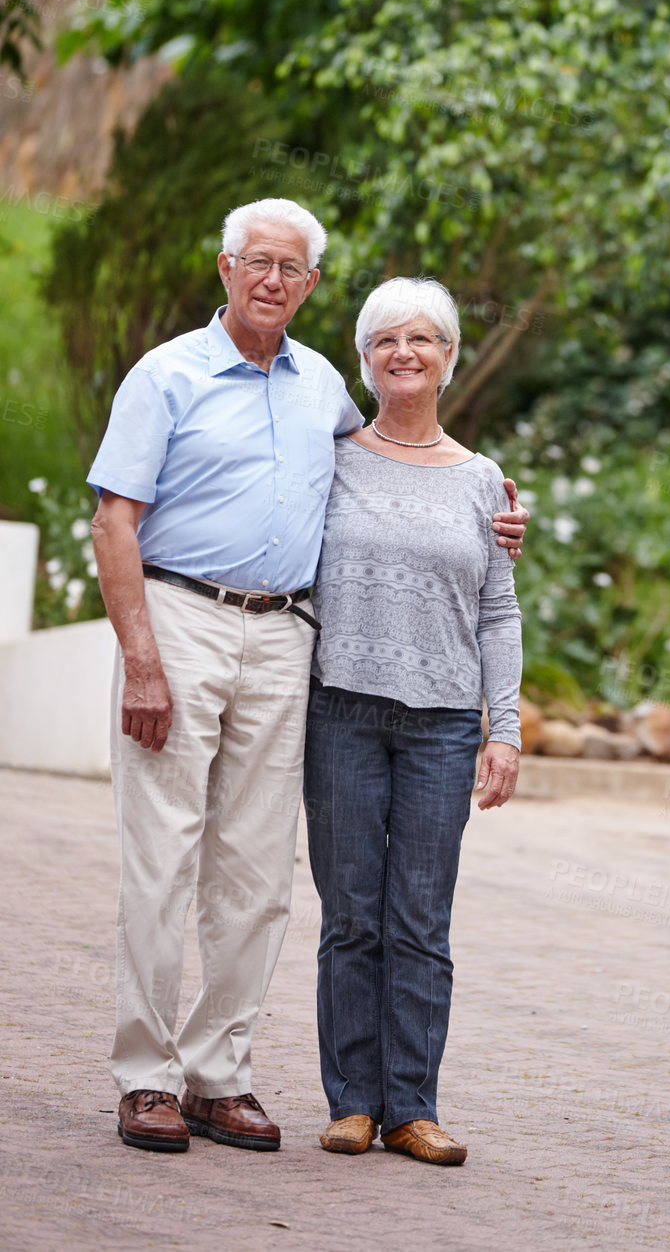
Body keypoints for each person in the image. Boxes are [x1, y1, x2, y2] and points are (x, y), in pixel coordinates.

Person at [88, 200, 528, 1155]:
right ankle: (147, 1078)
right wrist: (142, 662)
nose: (273, 281)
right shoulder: (165, 376)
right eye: (257, 263)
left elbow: (408, 471)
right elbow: (112, 522)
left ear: (312, 285)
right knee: (162, 858)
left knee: (256, 874)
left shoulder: (322, 385)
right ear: (225, 268)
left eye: (292, 268)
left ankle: (218, 1075)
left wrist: (498, 519)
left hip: (286, 637)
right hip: (181, 619)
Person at [304, 276, 521, 1167]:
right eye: (385, 339)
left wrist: (499, 728)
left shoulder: (483, 482)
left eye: (422, 339)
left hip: (439, 726)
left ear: (449, 358)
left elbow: (498, 612)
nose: (404, 352)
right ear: (363, 358)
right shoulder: (331, 457)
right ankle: (353, 1103)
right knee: (351, 914)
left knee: (420, 922)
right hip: (341, 712)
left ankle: (413, 1110)